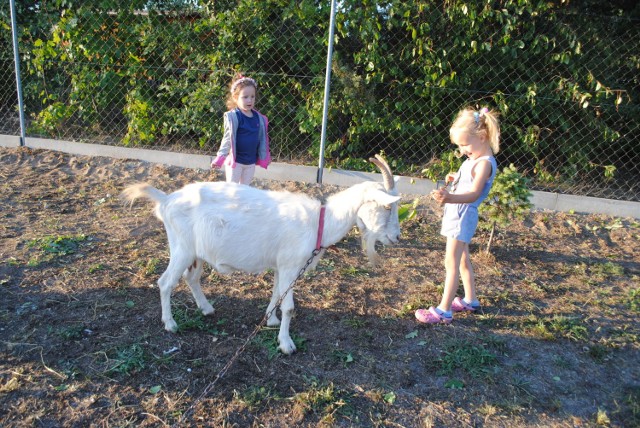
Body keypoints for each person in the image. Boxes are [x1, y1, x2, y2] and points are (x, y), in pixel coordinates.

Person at [415, 107, 500, 324]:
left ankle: (444, 311)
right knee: (462, 259)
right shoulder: (475, 159)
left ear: (482, 137)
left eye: (465, 145)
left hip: (462, 214)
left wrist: (449, 198)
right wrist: (456, 176)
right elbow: (467, 181)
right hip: (458, 213)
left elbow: (473, 194)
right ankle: (470, 300)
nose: (462, 150)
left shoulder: (484, 164)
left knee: (450, 262)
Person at [211, 74, 271, 184]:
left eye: (252, 96)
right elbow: (227, 139)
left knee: (245, 190)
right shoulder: (234, 117)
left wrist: (264, 157)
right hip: (236, 162)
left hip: (250, 163)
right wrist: (220, 158)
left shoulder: (259, 118)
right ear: (235, 97)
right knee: (232, 189)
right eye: (245, 97)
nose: (250, 100)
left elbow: (263, 139)